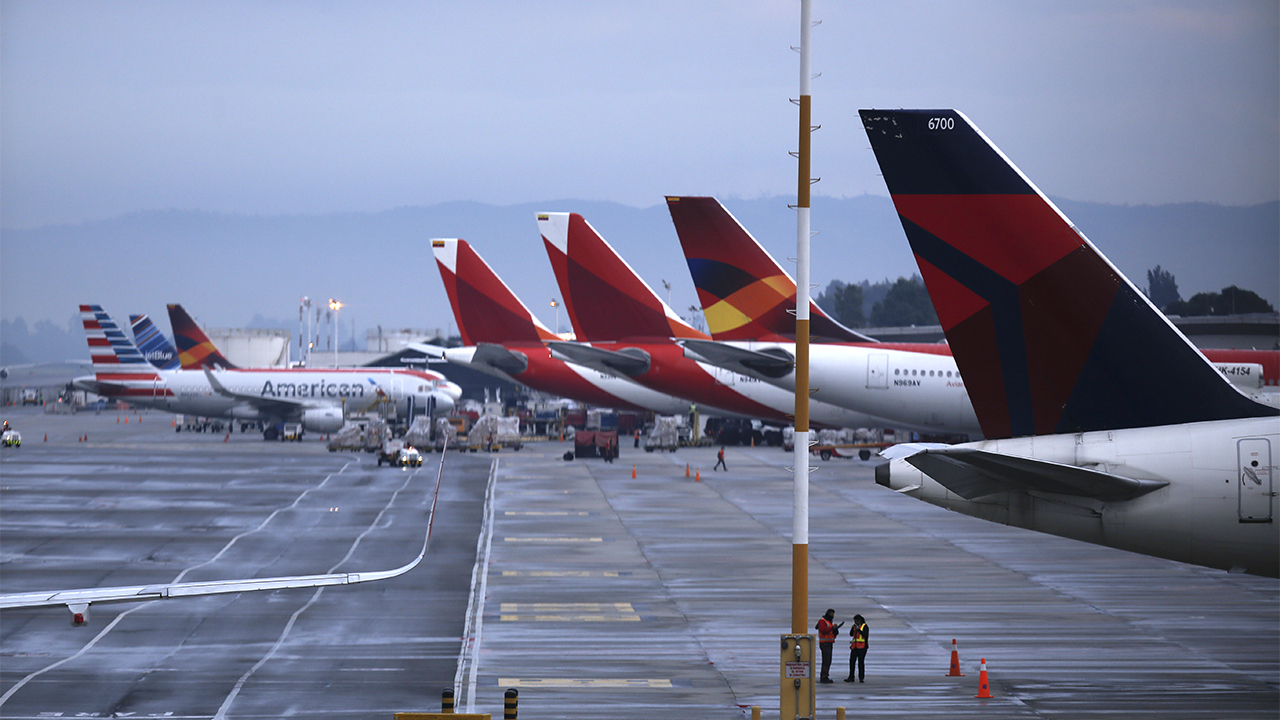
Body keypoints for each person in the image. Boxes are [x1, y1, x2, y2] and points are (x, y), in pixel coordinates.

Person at [815, 608, 842, 684]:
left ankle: (825, 675)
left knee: (828, 660)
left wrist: (835, 629)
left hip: (829, 642)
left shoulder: (829, 622)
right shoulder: (823, 621)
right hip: (824, 643)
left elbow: (831, 632)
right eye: (831, 614)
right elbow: (823, 630)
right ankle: (823, 676)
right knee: (826, 660)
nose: (832, 616)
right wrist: (832, 628)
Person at [845, 614, 869, 683]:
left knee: (860, 663)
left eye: (856, 621)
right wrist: (852, 629)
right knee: (852, 662)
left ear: (860, 620)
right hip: (854, 647)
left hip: (862, 647)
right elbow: (851, 634)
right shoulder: (855, 627)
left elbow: (865, 635)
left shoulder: (865, 626)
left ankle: (861, 678)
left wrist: (858, 630)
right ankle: (851, 676)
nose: (855, 622)